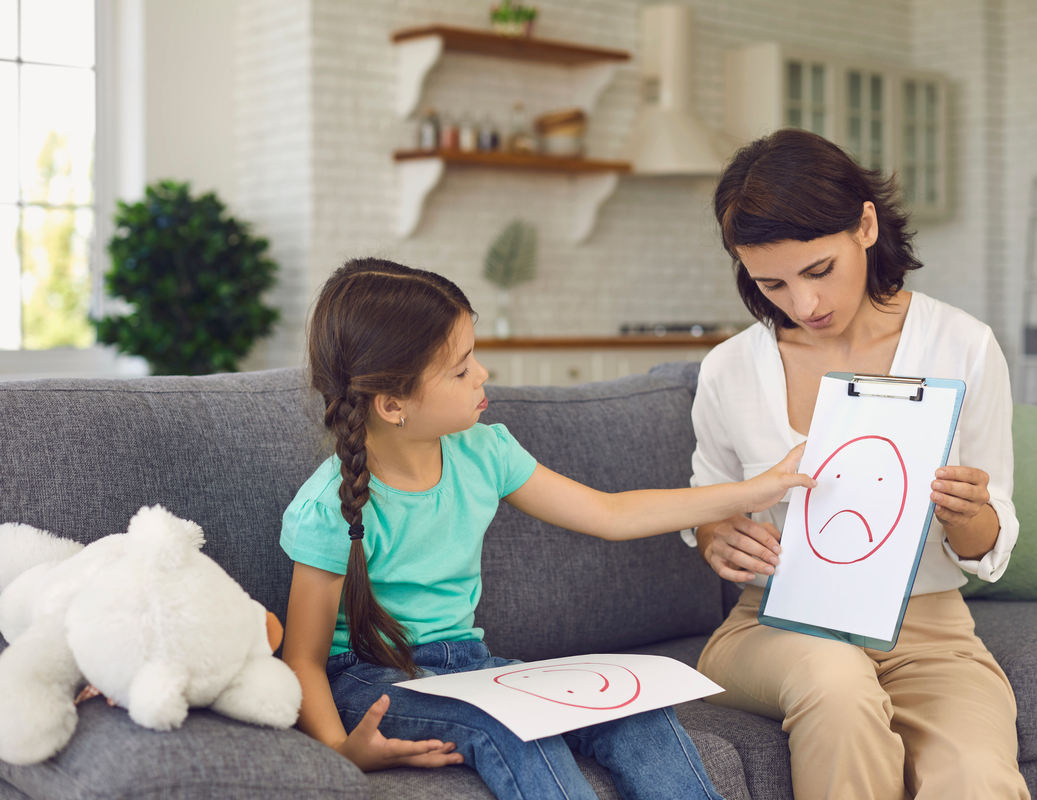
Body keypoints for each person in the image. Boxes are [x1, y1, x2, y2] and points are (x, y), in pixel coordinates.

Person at [280, 258, 815, 800]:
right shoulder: (329, 509)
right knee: (511, 728)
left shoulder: (486, 452)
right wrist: (342, 750)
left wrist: (755, 491)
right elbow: (303, 658)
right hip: (371, 682)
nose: (483, 374)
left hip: (469, 665)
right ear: (393, 404)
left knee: (632, 712)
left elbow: (610, 514)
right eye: (461, 369)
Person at [686, 129, 1030, 800]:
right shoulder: (729, 369)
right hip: (774, 625)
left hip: (929, 632)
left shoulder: (963, 345)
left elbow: (990, 546)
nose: (804, 305)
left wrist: (969, 513)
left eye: (819, 271)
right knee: (836, 680)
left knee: (976, 777)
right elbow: (707, 508)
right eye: (771, 283)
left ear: (866, 224)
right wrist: (715, 536)